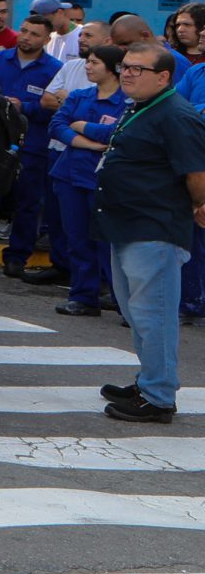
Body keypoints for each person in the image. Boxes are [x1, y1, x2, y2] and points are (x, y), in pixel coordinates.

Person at [90, 41, 205, 421]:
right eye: (125, 66)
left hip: (153, 227)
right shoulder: (142, 107)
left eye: (138, 69)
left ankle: (158, 397)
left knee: (153, 314)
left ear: (164, 76)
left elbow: (196, 173)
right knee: (135, 312)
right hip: (125, 224)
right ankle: (149, 380)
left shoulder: (176, 115)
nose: (127, 73)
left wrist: (197, 206)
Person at [0, 12, 60, 274]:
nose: (27, 37)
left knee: (27, 203)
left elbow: (55, 108)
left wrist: (26, 107)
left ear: (46, 39)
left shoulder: (54, 69)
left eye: (34, 34)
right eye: (24, 31)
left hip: (32, 145)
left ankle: (17, 258)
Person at [49, 44, 129, 317]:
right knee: (77, 239)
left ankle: (123, 302)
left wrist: (81, 126)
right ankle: (83, 296)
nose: (88, 66)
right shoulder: (80, 96)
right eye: (88, 62)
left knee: (109, 242)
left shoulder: (126, 102)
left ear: (113, 68)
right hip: (70, 176)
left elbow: (116, 133)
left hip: (105, 180)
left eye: (94, 62)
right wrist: (91, 144)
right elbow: (57, 125)